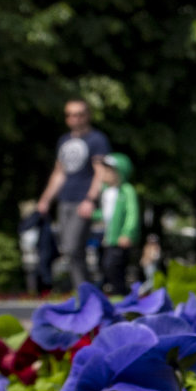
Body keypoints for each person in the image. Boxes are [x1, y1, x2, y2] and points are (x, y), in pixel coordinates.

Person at [35, 99, 111, 287]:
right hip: (64, 200)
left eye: (78, 114)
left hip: (82, 201)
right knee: (69, 250)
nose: (74, 118)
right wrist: (45, 200)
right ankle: (84, 291)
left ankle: (85, 290)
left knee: (73, 247)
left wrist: (90, 199)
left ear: (87, 115)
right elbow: (59, 173)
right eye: (69, 114)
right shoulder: (64, 141)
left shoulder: (97, 140)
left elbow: (101, 173)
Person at [99, 154, 141, 293]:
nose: (104, 174)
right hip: (109, 238)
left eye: (108, 171)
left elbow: (132, 213)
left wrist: (127, 233)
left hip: (120, 238)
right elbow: (107, 214)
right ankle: (116, 292)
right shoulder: (106, 191)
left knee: (113, 266)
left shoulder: (126, 190)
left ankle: (121, 293)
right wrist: (93, 214)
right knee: (106, 266)